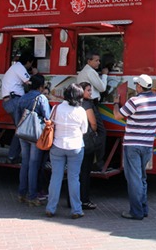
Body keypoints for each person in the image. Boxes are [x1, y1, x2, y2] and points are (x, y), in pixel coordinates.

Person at [112, 72, 156, 220]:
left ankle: (135, 212)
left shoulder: (134, 101)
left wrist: (116, 103)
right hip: (147, 146)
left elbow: (117, 116)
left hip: (132, 145)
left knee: (134, 179)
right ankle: (143, 208)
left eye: (136, 84)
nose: (135, 86)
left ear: (140, 87)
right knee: (142, 177)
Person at [45, 83, 88, 219]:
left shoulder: (57, 108)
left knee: (55, 177)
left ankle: (51, 208)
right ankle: (76, 209)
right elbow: (85, 130)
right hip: (75, 147)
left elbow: (50, 124)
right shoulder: (81, 111)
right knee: (74, 178)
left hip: (57, 146)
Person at [17, 74, 50, 206]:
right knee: (33, 165)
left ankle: (21, 193)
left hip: (23, 133)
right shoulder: (41, 98)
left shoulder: (22, 97)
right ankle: (32, 196)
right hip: (36, 134)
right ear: (41, 86)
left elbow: (17, 116)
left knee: (24, 164)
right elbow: (47, 117)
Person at [2, 52, 36, 164]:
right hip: (14, 101)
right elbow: (30, 83)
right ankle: (12, 156)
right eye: (31, 64)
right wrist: (36, 74)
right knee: (22, 130)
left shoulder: (15, 67)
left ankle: (13, 155)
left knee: (21, 129)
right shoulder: (20, 68)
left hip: (11, 101)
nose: (31, 66)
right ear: (28, 62)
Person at [77, 82, 102, 210]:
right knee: (85, 173)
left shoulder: (73, 103)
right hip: (86, 143)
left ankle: (73, 200)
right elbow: (93, 123)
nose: (90, 93)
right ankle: (84, 200)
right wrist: (94, 132)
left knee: (75, 174)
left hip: (74, 142)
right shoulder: (87, 104)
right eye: (88, 90)